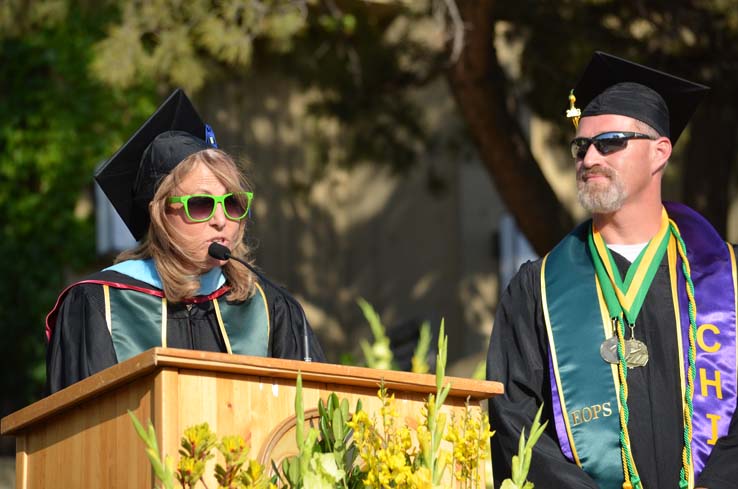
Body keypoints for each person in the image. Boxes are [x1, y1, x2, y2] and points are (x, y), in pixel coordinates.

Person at [487, 52, 737, 489]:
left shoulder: (727, 278)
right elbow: (515, 424)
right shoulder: (538, 290)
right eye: (581, 146)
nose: (589, 157)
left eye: (610, 142)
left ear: (660, 152)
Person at [46, 89, 325, 394]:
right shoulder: (100, 304)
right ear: (159, 215)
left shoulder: (271, 308)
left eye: (232, 203)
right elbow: (83, 430)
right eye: (202, 204)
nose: (221, 219)